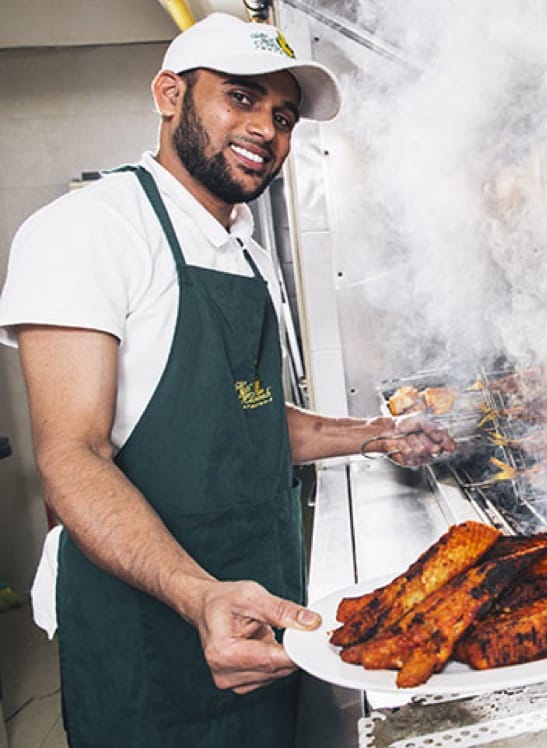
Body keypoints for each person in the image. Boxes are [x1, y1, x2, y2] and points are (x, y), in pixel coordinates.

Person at [0, 13, 455, 748]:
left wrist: (380, 434)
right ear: (169, 94)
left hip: (263, 614)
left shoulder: (246, 250)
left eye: (282, 116)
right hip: (152, 634)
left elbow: (251, 421)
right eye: (240, 99)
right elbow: (71, 457)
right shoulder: (88, 230)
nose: (266, 131)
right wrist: (199, 594)